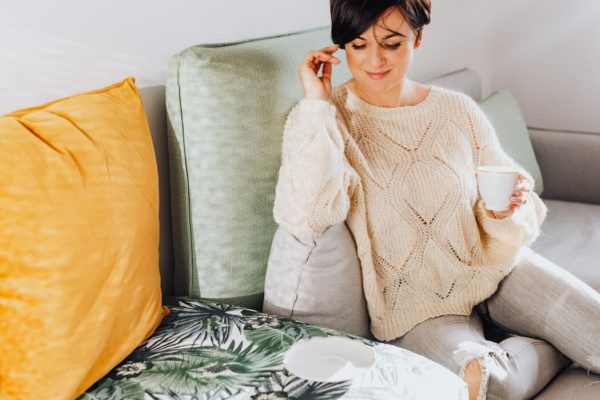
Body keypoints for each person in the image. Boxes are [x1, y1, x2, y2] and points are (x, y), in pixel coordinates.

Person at [272, 0, 600, 399]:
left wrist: (503, 211)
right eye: (358, 46)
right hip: (418, 306)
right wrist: (316, 104)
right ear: (342, 47)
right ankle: (551, 348)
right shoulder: (326, 117)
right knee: (482, 385)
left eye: (391, 44)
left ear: (418, 38)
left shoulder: (456, 110)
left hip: (498, 269)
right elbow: (309, 216)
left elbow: (520, 201)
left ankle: (556, 339)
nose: (374, 60)